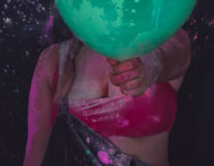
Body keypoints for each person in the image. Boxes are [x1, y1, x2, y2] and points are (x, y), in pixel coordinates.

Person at [22, 29, 191, 166]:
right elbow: (34, 158)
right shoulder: (53, 61)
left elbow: (170, 56)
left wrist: (148, 68)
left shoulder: (165, 39)